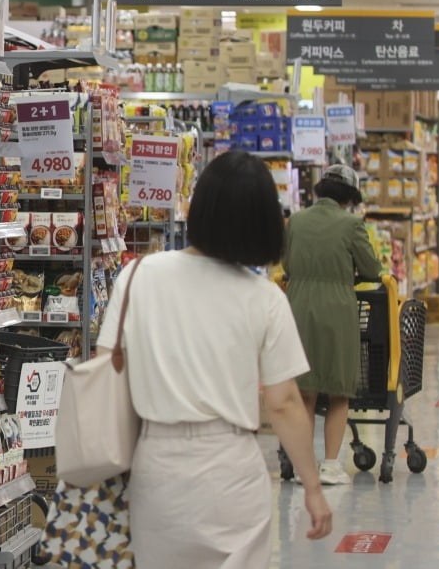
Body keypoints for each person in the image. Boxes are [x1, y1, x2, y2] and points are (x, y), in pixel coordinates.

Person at [96, 151, 332, 569]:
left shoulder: (139, 276)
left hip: (156, 465)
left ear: (200, 208)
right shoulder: (264, 299)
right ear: (263, 222)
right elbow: (284, 403)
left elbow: (106, 370)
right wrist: (313, 486)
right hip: (230, 468)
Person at [283, 163, 383, 485]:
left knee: (305, 391)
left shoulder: (296, 222)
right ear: (350, 196)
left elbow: (286, 263)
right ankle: (330, 466)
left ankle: (303, 465)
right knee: (339, 392)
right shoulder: (351, 225)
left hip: (298, 309)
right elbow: (371, 269)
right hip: (337, 312)